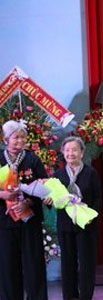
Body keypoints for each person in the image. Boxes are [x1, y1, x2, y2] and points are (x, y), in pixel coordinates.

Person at [0, 120, 48, 299]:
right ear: (6, 139)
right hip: (4, 223)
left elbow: (45, 186)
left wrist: (27, 202)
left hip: (29, 220)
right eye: (15, 138)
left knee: (33, 265)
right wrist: (2, 195)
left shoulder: (32, 159)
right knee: (7, 267)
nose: (20, 141)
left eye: (22, 137)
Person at [51, 136, 101, 300]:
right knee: (68, 262)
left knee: (86, 263)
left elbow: (98, 199)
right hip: (65, 224)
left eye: (74, 150)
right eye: (67, 150)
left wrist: (89, 215)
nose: (70, 153)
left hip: (86, 224)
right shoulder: (57, 175)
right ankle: (70, 296)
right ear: (63, 153)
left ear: (81, 153)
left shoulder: (90, 172)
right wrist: (50, 200)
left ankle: (86, 296)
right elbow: (54, 201)